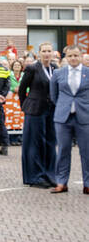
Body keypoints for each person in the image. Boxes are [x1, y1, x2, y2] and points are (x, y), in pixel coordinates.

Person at [18, 43, 58, 188]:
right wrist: (25, 106)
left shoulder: (55, 68)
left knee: (50, 142)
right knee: (35, 143)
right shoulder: (32, 68)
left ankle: (49, 174)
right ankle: (35, 176)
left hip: (51, 110)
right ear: (39, 53)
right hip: (34, 110)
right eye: (44, 51)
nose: (47, 54)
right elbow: (22, 89)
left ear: (52, 53)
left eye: (49, 51)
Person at [49, 45, 89, 194]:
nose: (73, 58)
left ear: (81, 56)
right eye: (70, 56)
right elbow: (53, 95)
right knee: (63, 150)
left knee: (86, 151)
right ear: (66, 57)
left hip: (84, 116)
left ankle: (87, 183)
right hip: (63, 117)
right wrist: (63, 105)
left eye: (76, 55)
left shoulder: (87, 73)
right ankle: (61, 182)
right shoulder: (59, 73)